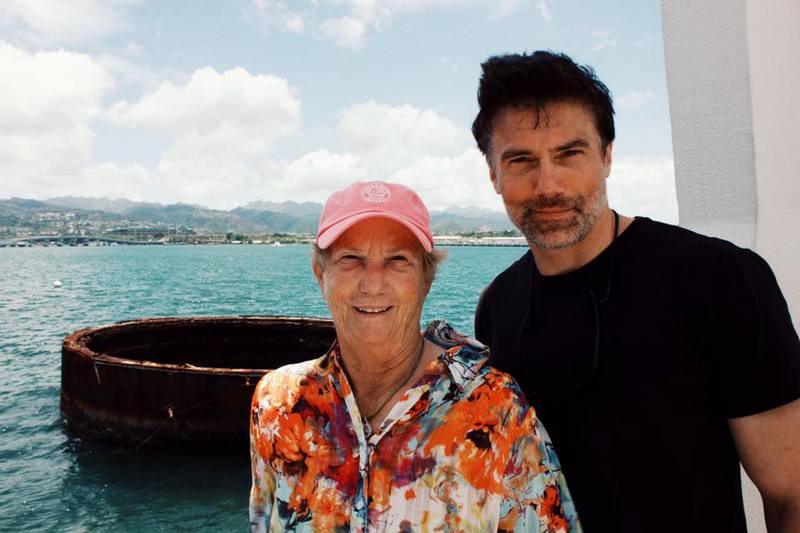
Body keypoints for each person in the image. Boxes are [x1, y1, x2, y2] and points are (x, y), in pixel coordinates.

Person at [471, 50, 800, 532]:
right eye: (521, 160)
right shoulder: (497, 305)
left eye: (570, 153)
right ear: (494, 175)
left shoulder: (718, 278)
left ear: (606, 156)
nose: (548, 184)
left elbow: (791, 491)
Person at [249, 180, 581, 532]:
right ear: (321, 274)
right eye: (350, 258)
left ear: (426, 279)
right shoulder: (278, 403)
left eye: (398, 260)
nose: (373, 283)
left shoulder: (496, 409)